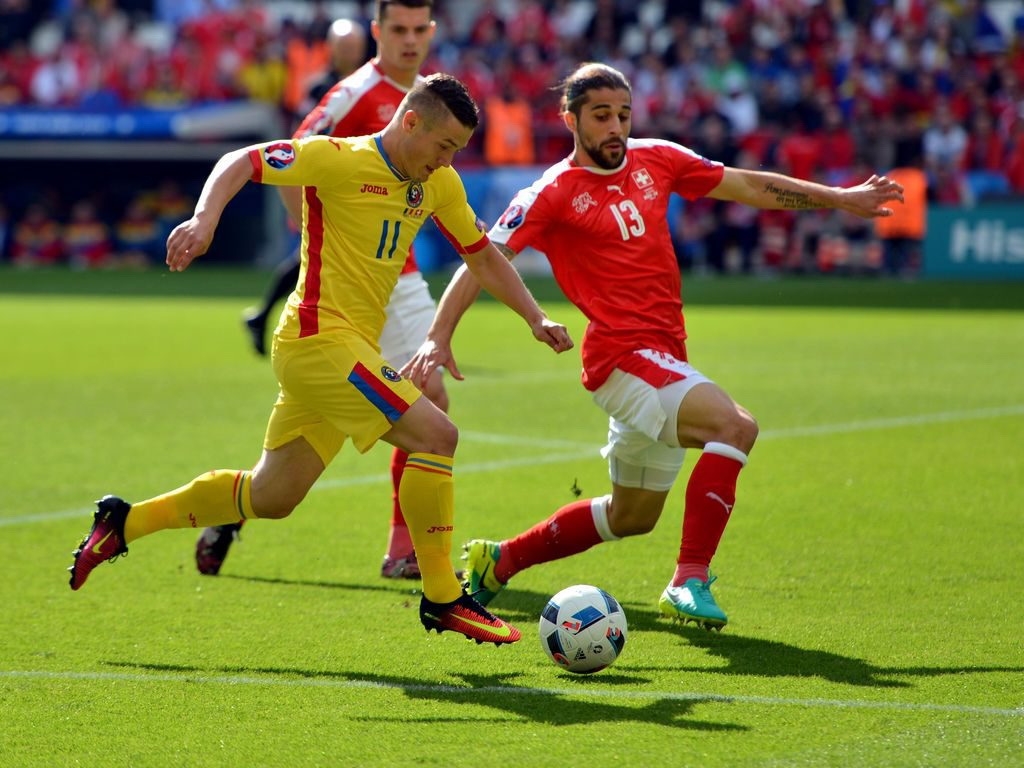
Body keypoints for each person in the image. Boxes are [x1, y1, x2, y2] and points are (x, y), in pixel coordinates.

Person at [67, 73, 574, 647]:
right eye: (443, 145)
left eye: (456, 150)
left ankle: (123, 522)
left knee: (271, 496)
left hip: (348, 351)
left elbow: (483, 258)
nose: (448, 160)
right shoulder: (338, 159)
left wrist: (535, 317)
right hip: (316, 341)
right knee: (436, 434)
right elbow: (242, 159)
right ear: (411, 122)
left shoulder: (439, 184)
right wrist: (205, 219)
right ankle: (441, 596)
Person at [401, 63, 903, 631]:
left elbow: (748, 185)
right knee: (735, 427)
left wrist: (838, 198)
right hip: (621, 356)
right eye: (600, 115)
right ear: (570, 120)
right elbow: (482, 261)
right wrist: (437, 337)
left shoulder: (658, 158)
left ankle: (502, 559)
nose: (615, 126)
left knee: (631, 515)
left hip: (664, 355)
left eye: (623, 114)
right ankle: (689, 578)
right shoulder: (551, 192)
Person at [214, 0, 441, 581]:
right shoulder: (351, 95)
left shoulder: (429, 96)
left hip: (405, 277)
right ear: (376, 32)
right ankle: (241, 504)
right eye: (398, 30)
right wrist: (314, 233)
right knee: (383, 412)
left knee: (427, 401)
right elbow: (292, 156)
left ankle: (401, 547)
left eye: (419, 30)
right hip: (350, 281)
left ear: (431, 31)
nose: (410, 41)